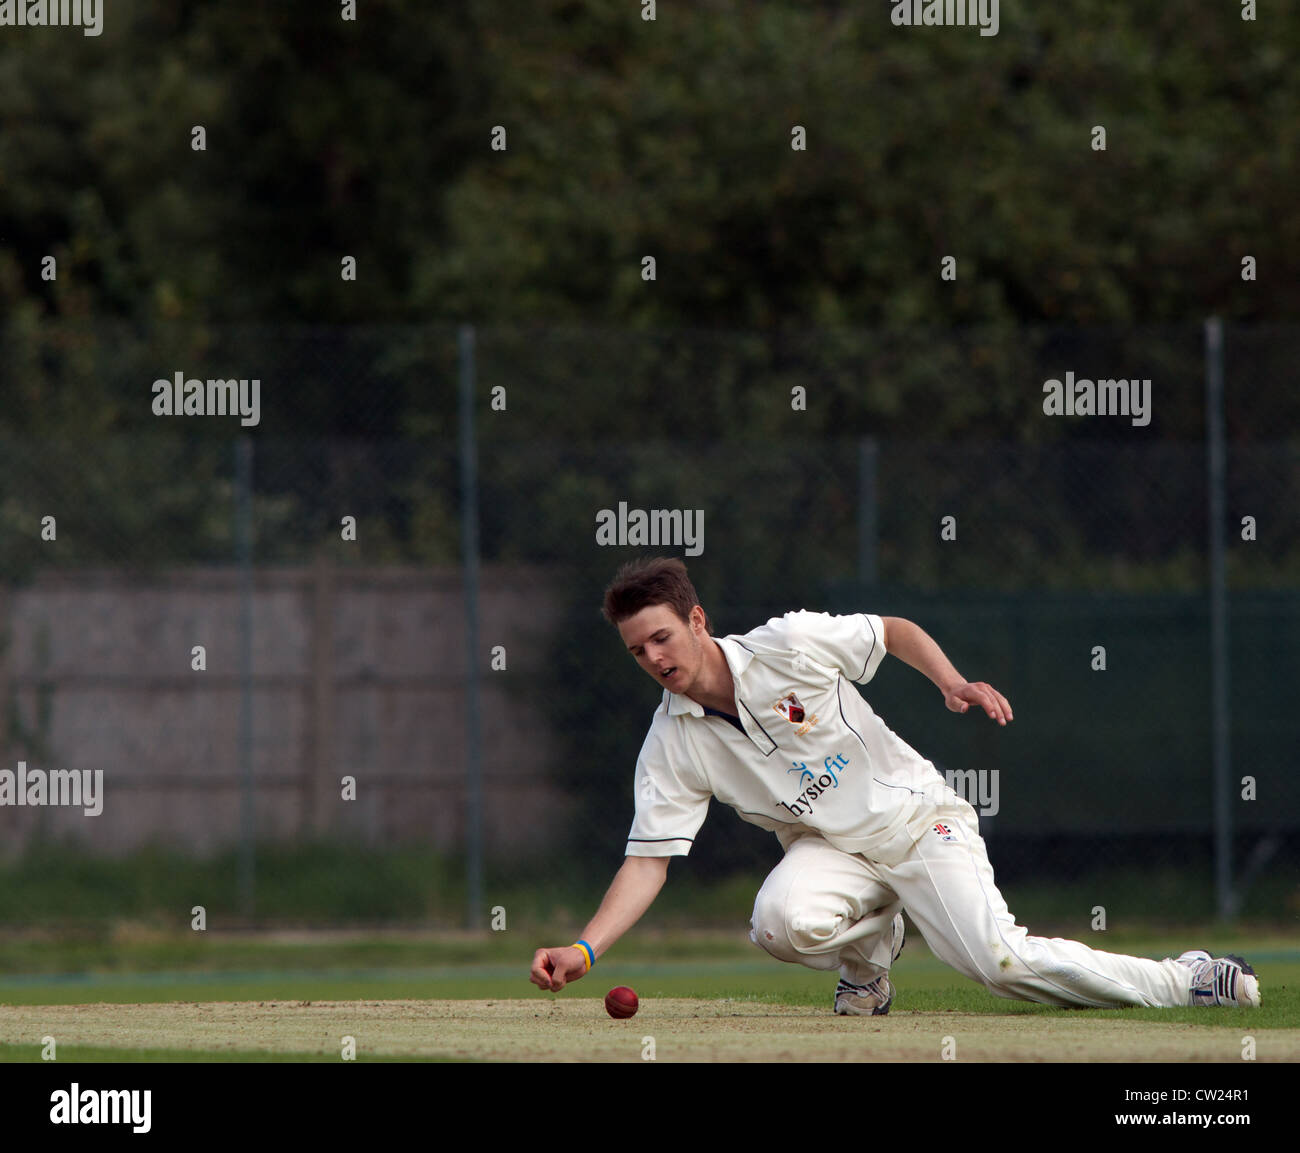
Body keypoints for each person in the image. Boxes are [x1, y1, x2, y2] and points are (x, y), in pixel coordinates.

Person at [529, 557, 1260, 1012]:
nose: (654, 657)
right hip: (832, 850)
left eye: (662, 636)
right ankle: (870, 967)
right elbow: (648, 861)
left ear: (696, 619)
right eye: (636, 649)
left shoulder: (788, 643)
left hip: (917, 822)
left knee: (999, 964)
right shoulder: (671, 740)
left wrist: (951, 681)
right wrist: (584, 951)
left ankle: (1182, 978)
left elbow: (894, 630)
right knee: (778, 922)